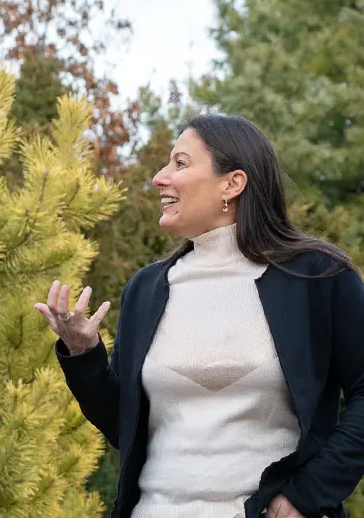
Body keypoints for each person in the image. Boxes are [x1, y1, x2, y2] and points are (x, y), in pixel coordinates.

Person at [35, 114, 364, 518]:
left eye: (180, 163)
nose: (159, 177)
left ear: (232, 183)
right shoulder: (146, 289)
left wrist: (308, 495)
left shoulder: (317, 276)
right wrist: (84, 353)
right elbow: (125, 428)